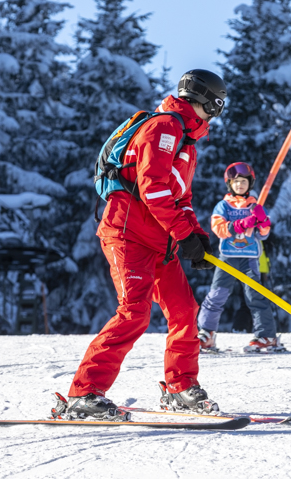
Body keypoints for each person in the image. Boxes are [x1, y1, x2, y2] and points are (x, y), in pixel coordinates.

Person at [64, 69, 226, 419]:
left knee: (184, 310)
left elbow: (181, 198)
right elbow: (152, 188)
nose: (218, 111)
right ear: (210, 101)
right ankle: (83, 393)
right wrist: (183, 233)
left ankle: (180, 388)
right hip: (128, 234)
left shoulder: (186, 140)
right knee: (134, 312)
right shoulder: (165, 127)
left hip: (159, 242)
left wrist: (196, 236)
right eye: (219, 103)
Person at [196, 162, 279, 353]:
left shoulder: (255, 206)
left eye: (243, 181)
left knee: (255, 296)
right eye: (236, 182)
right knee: (216, 295)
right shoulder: (223, 206)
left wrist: (262, 220)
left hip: (249, 259)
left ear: (250, 183)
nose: (240, 185)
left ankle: (266, 336)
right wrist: (241, 224)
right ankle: (206, 333)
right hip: (227, 258)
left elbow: (264, 234)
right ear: (229, 184)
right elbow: (219, 229)